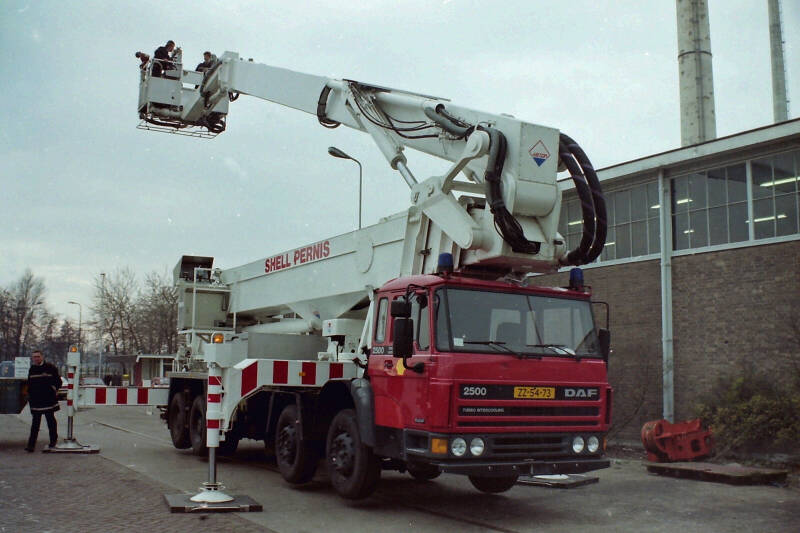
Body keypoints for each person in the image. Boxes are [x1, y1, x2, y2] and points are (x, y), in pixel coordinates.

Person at [26, 349, 60, 452]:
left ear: (42, 357)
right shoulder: (32, 369)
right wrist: (30, 397)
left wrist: (53, 389)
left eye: (38, 356)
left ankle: (53, 441)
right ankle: (31, 445)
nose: (36, 359)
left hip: (48, 400)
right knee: (35, 424)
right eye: (34, 357)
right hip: (36, 401)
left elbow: (58, 381)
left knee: (51, 421)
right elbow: (30, 384)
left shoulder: (50, 368)